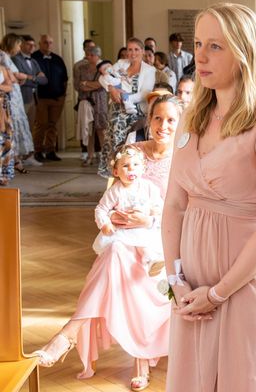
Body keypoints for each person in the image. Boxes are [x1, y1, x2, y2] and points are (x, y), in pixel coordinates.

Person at [162, 3, 256, 391]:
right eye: (198, 44)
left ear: (244, 53)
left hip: (245, 282)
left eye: (215, 47)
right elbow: (173, 205)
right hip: (191, 286)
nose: (200, 57)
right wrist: (177, 281)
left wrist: (219, 292)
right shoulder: (190, 119)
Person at [33, 94, 183, 390]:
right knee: (116, 254)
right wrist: (113, 218)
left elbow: (186, 208)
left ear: (180, 123)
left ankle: (69, 332)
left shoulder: (184, 158)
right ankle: (136, 360)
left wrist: (149, 220)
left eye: (170, 120)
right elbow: (112, 197)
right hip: (127, 237)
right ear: (148, 119)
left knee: (120, 261)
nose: (163, 126)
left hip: (164, 238)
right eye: (157, 118)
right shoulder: (134, 151)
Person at [92, 144, 164, 272]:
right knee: (117, 247)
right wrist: (105, 224)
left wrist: (151, 216)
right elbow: (101, 209)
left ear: (143, 168)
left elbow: (158, 206)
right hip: (122, 231)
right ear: (116, 172)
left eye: (136, 165)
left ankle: (152, 263)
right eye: (125, 166)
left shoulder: (149, 187)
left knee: (147, 246)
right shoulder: (115, 191)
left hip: (142, 228)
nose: (131, 169)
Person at [98, 37, 156, 178]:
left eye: (136, 49)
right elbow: (102, 78)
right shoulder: (121, 63)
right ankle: (115, 181)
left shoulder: (149, 70)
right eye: (130, 49)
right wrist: (111, 89)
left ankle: (128, 179)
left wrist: (125, 98)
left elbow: (145, 94)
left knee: (127, 150)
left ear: (142, 51)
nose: (132, 53)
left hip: (134, 115)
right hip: (116, 115)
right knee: (113, 148)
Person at [0, 33, 38, 172]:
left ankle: (16, 160)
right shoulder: (3, 56)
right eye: (17, 45)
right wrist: (19, 77)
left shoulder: (7, 57)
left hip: (15, 94)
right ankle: (13, 161)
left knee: (16, 126)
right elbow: (8, 75)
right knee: (12, 127)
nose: (18, 48)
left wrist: (19, 78)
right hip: (10, 96)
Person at [32, 34, 68, 162]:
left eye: (50, 42)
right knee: (41, 125)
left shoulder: (57, 59)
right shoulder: (34, 58)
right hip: (41, 98)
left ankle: (50, 150)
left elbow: (65, 79)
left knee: (53, 125)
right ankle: (37, 151)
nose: (48, 45)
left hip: (57, 98)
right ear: (40, 43)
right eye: (45, 42)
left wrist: (63, 95)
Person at [74, 45, 103, 166]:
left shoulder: (103, 68)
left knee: (101, 129)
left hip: (100, 101)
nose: (89, 57)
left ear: (98, 56)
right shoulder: (81, 68)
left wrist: (87, 84)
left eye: (92, 55)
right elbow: (78, 85)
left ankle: (105, 157)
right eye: (88, 54)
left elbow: (101, 84)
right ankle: (90, 156)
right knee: (89, 129)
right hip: (86, 100)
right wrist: (91, 85)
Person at [12, 34, 47, 133]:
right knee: (20, 130)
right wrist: (36, 79)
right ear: (21, 45)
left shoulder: (34, 61)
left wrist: (28, 77)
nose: (32, 47)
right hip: (21, 98)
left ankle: (30, 149)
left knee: (31, 128)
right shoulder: (15, 59)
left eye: (34, 45)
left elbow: (44, 80)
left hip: (33, 99)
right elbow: (18, 80)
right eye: (28, 44)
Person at [0, 64, 13, 185]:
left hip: (3, 107)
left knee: (5, 140)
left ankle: (3, 174)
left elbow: (10, 86)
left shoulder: (2, 68)